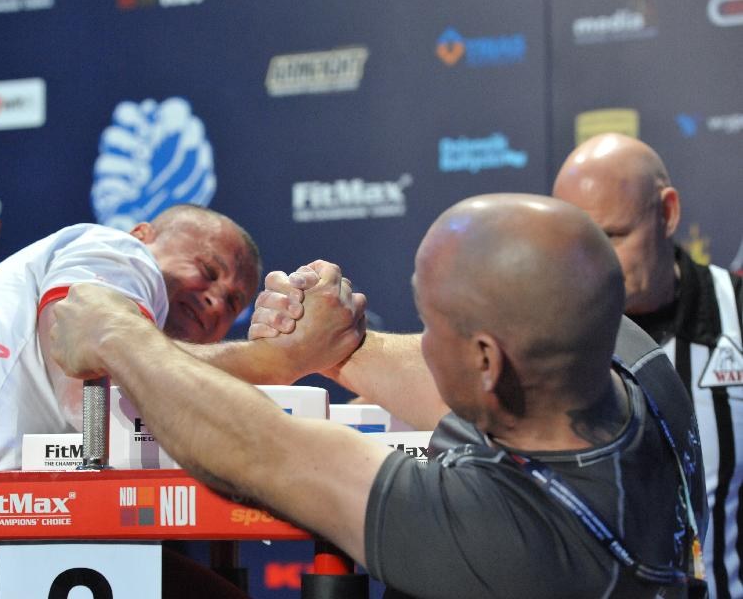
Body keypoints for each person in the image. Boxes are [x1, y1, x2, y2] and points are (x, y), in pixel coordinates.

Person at [49, 195, 705, 598]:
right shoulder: (633, 366)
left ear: (484, 358)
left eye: (431, 322)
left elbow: (257, 449)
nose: (417, 338)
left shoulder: (502, 538)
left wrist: (116, 336)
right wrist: (336, 349)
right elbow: (452, 381)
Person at [0, 204, 261, 598]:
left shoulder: (160, 369)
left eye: (234, 302)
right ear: (142, 235)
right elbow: (85, 363)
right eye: (208, 271)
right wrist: (277, 359)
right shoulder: (115, 251)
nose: (216, 300)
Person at [553, 133, 743, 599]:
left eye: (612, 236)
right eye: (577, 242)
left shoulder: (736, 314)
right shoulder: (540, 334)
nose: (593, 263)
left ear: (668, 213)